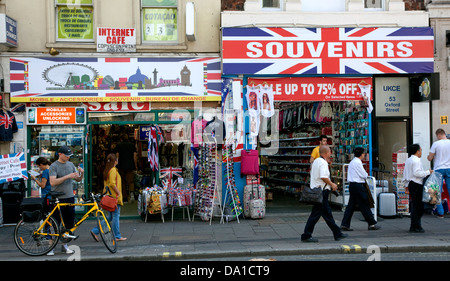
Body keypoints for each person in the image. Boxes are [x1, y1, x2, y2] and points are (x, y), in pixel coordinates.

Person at [301, 145, 347, 242]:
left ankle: (337, 233)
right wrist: (332, 184)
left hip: (317, 190)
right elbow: (323, 177)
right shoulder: (323, 163)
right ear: (326, 153)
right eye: (330, 151)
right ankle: (306, 235)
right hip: (322, 192)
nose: (330, 153)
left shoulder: (316, 161)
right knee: (317, 215)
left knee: (326, 214)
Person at [48, 146, 84, 255]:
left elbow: (77, 179)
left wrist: (81, 173)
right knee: (55, 223)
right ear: (60, 154)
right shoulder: (54, 166)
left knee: (68, 223)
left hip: (69, 196)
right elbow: (53, 182)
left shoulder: (71, 165)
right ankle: (51, 247)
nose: (68, 157)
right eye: (66, 155)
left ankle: (65, 245)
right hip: (57, 198)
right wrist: (68, 176)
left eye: (69, 155)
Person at [341, 147, 380, 231]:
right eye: (363, 153)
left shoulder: (352, 162)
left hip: (352, 185)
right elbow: (364, 175)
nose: (364, 155)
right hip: (358, 185)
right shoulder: (358, 163)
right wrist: (366, 174)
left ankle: (345, 224)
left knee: (351, 206)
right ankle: (371, 223)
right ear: (361, 154)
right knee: (364, 204)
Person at [91, 153, 127, 242]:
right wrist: (118, 193)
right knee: (115, 216)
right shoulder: (113, 170)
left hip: (109, 196)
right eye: (117, 159)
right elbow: (112, 184)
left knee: (110, 217)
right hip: (114, 197)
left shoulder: (108, 170)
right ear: (115, 161)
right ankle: (117, 236)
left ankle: (95, 231)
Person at [407, 144, 433, 232]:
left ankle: (414, 225)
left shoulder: (409, 160)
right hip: (416, 184)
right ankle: (416, 226)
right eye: (421, 150)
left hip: (411, 183)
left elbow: (406, 173)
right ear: (417, 151)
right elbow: (417, 173)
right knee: (418, 206)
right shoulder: (416, 160)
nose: (421, 152)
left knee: (416, 205)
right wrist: (428, 172)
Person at [427, 128, 450, 218]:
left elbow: (430, 158)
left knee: (436, 191)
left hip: (438, 169)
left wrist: (428, 157)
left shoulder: (436, 144)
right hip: (449, 168)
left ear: (439, 135)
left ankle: (440, 212)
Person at [115, 134, 138, 202]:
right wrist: (136, 165)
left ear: (121, 139)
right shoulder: (132, 145)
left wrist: (116, 165)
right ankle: (131, 194)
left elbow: (117, 156)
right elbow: (135, 156)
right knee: (131, 181)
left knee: (122, 182)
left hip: (121, 165)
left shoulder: (119, 145)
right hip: (130, 165)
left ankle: (124, 197)